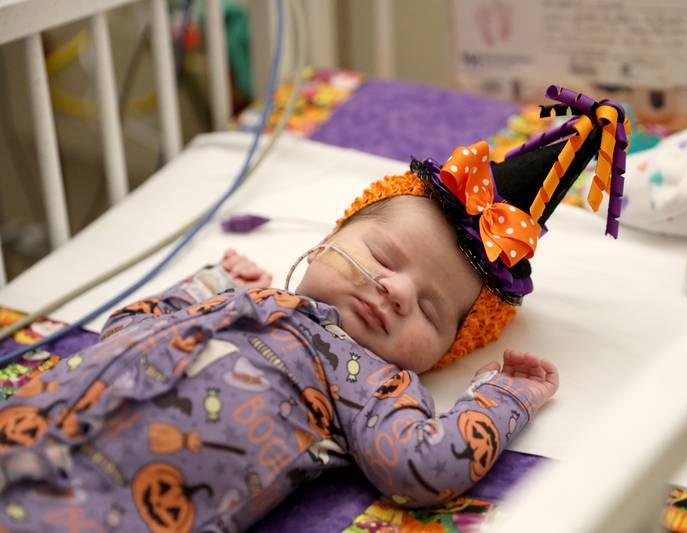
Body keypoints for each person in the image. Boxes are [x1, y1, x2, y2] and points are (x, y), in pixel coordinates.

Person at [0, 87, 627, 532]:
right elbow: (126, 328)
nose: (398, 292)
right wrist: (203, 286)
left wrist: (504, 395)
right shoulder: (241, 297)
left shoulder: (369, 383)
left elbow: (424, 468)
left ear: (446, 353)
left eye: (431, 311)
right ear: (328, 242)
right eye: (383, 256)